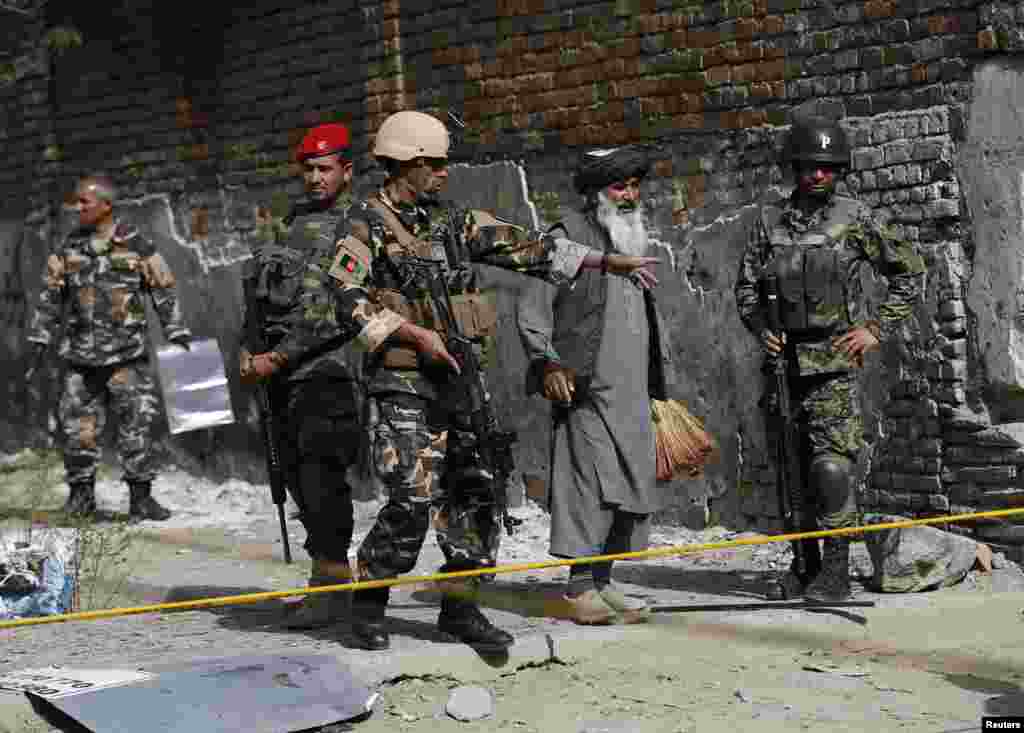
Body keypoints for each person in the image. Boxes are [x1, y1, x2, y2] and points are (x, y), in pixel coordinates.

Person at [294, 109, 659, 653]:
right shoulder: (364, 224)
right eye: (434, 165)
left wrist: (606, 262)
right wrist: (414, 335)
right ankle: (368, 605)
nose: (443, 173)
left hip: (462, 383)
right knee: (412, 501)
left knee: (478, 496)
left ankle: (461, 607)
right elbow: (344, 296)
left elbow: (527, 247)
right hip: (404, 389)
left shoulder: (453, 222)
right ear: (405, 165)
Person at [734, 115, 925, 603]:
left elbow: (909, 271)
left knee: (830, 470)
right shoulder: (767, 221)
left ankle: (837, 570)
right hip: (781, 366)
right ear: (794, 167)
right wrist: (760, 330)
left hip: (832, 365)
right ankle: (805, 564)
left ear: (838, 170)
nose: (817, 175)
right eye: (808, 167)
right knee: (790, 469)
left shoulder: (856, 218)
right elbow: (746, 287)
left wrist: (875, 328)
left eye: (827, 168)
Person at [516, 145, 679, 625]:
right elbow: (533, 307)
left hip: (632, 391)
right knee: (587, 485)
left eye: (634, 185)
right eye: (618, 186)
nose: (629, 195)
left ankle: (604, 581)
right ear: (593, 194)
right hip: (584, 385)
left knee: (628, 485)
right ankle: (577, 589)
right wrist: (547, 363)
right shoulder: (568, 238)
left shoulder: (632, 237)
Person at [239, 122, 363, 629]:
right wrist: (249, 349)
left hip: (327, 372)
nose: (315, 178)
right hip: (282, 377)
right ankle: (324, 580)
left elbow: (334, 312)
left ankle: (335, 586)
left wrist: (279, 357)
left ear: (346, 171)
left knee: (321, 478)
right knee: (294, 475)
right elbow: (260, 297)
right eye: (308, 169)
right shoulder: (291, 223)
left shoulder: (358, 227)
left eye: (325, 169)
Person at [25, 174, 191, 520]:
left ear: (106, 205)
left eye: (84, 202)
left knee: (137, 426)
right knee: (77, 431)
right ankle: (81, 499)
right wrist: (40, 338)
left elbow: (163, 287)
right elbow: (49, 296)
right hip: (79, 358)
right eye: (77, 202)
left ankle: (141, 499)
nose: (78, 207)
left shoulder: (136, 243)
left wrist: (176, 330)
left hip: (127, 356)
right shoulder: (69, 247)